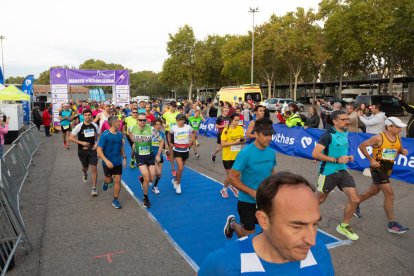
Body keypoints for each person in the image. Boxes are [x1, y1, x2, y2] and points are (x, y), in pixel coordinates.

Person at [199, 172, 334, 276]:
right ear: (263, 220)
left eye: (314, 224)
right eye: (297, 226)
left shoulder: (320, 251)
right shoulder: (221, 265)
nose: (311, 240)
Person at [223, 118, 276, 239]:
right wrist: (251, 192)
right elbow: (231, 177)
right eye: (266, 135)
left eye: (271, 135)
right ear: (256, 134)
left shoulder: (271, 152)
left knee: (269, 231)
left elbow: (271, 172)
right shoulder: (245, 153)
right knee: (249, 238)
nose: (269, 138)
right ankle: (233, 224)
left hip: (265, 200)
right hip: (247, 202)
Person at [312, 110, 360, 241]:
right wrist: (336, 160)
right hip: (328, 172)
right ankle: (303, 219)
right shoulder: (327, 135)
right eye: (343, 119)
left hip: (343, 170)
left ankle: (343, 226)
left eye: (347, 119)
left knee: (355, 199)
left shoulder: (344, 132)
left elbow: (340, 151)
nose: (347, 121)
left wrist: (347, 157)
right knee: (319, 200)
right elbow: (315, 154)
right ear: (335, 121)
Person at [356, 117, 409, 234]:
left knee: (373, 191)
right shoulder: (379, 137)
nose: (400, 129)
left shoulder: (398, 138)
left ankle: (356, 202)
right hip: (378, 169)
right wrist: (371, 160)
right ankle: (392, 224)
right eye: (397, 127)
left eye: (400, 127)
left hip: (388, 169)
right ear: (389, 127)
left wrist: (402, 151)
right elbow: (362, 146)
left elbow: (397, 149)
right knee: (389, 195)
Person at [129, 113, 162, 208]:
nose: (142, 122)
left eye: (144, 120)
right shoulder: (132, 127)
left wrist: (158, 154)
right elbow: (128, 132)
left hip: (150, 156)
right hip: (139, 155)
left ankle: (142, 179)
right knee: (147, 178)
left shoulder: (151, 129)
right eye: (140, 120)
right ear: (137, 120)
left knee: (152, 178)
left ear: (147, 120)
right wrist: (134, 141)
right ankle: (145, 198)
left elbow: (161, 141)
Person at [97, 116, 127, 209]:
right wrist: (106, 161)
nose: (120, 123)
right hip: (107, 163)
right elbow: (99, 150)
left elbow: (121, 147)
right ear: (113, 123)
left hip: (117, 161)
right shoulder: (104, 135)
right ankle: (106, 183)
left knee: (118, 180)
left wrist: (124, 157)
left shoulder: (120, 134)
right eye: (118, 122)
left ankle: (115, 199)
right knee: (109, 180)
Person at [69, 109, 100, 196]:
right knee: (85, 167)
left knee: (94, 168)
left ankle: (94, 188)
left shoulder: (95, 125)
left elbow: (99, 135)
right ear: (83, 116)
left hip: (92, 150)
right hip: (82, 151)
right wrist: (82, 143)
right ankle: (85, 173)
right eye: (85, 115)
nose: (87, 116)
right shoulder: (79, 126)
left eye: (89, 115)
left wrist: (97, 144)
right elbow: (71, 138)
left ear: (91, 116)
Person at [219, 113, 244, 198]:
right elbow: (222, 144)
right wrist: (234, 142)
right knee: (230, 176)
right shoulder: (226, 130)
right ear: (231, 120)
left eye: (238, 120)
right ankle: (224, 189)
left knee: (237, 176)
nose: (237, 122)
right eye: (235, 120)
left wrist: (242, 141)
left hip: (237, 156)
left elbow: (242, 140)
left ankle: (233, 187)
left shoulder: (240, 129)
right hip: (227, 157)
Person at [170, 114, 195, 194]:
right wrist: (170, 143)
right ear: (177, 120)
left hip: (185, 150)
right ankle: (178, 184)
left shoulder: (188, 127)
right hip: (177, 150)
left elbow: (193, 133)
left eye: (183, 120)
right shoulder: (174, 128)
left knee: (181, 169)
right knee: (180, 168)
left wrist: (191, 141)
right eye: (180, 120)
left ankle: (175, 180)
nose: (182, 121)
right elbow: (169, 134)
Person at [162, 100, 180, 176]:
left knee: (176, 149)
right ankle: (173, 169)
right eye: (173, 106)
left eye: (176, 106)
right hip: (169, 133)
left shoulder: (178, 113)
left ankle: (168, 153)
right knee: (172, 150)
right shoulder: (166, 114)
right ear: (170, 106)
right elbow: (162, 121)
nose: (174, 108)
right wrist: (164, 125)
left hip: (177, 133)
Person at [151, 118, 165, 194]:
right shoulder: (151, 133)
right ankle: (144, 179)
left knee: (159, 174)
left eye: (160, 124)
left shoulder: (162, 134)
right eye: (157, 124)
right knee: (155, 173)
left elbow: (163, 145)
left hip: (159, 156)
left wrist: (166, 151)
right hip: (152, 155)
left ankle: (154, 187)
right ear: (154, 125)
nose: (159, 126)